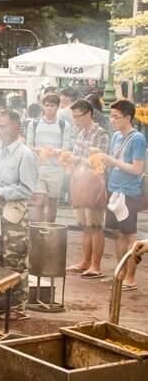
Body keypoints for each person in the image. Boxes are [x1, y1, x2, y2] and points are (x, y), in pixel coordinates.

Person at [0, 110, 38, 318]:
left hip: (15, 214)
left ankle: (18, 307)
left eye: (3, 126)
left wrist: (0, 191)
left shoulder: (25, 154)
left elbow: (27, 189)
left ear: (16, 127)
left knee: (15, 260)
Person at [98, 100, 146, 292]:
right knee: (117, 234)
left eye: (116, 117)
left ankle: (131, 278)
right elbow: (115, 161)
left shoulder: (137, 139)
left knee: (129, 235)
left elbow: (137, 169)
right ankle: (120, 273)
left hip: (129, 192)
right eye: (111, 116)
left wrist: (112, 161)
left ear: (128, 117)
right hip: (115, 189)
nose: (112, 120)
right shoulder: (117, 136)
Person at [66, 99, 110, 279]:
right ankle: (85, 261)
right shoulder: (80, 132)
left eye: (78, 117)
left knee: (96, 226)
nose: (75, 120)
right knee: (84, 226)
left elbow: (100, 162)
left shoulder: (101, 134)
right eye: (74, 117)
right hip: (79, 181)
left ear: (89, 114)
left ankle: (96, 265)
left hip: (94, 184)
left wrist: (77, 160)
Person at [27, 93, 71, 224]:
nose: (49, 108)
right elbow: (29, 145)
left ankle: (49, 230)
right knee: (39, 201)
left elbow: (66, 148)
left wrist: (53, 152)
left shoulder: (64, 125)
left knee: (52, 203)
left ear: (57, 107)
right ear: (42, 106)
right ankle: (38, 229)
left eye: (52, 106)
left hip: (56, 169)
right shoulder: (34, 124)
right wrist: (37, 151)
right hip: (38, 168)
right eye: (46, 105)